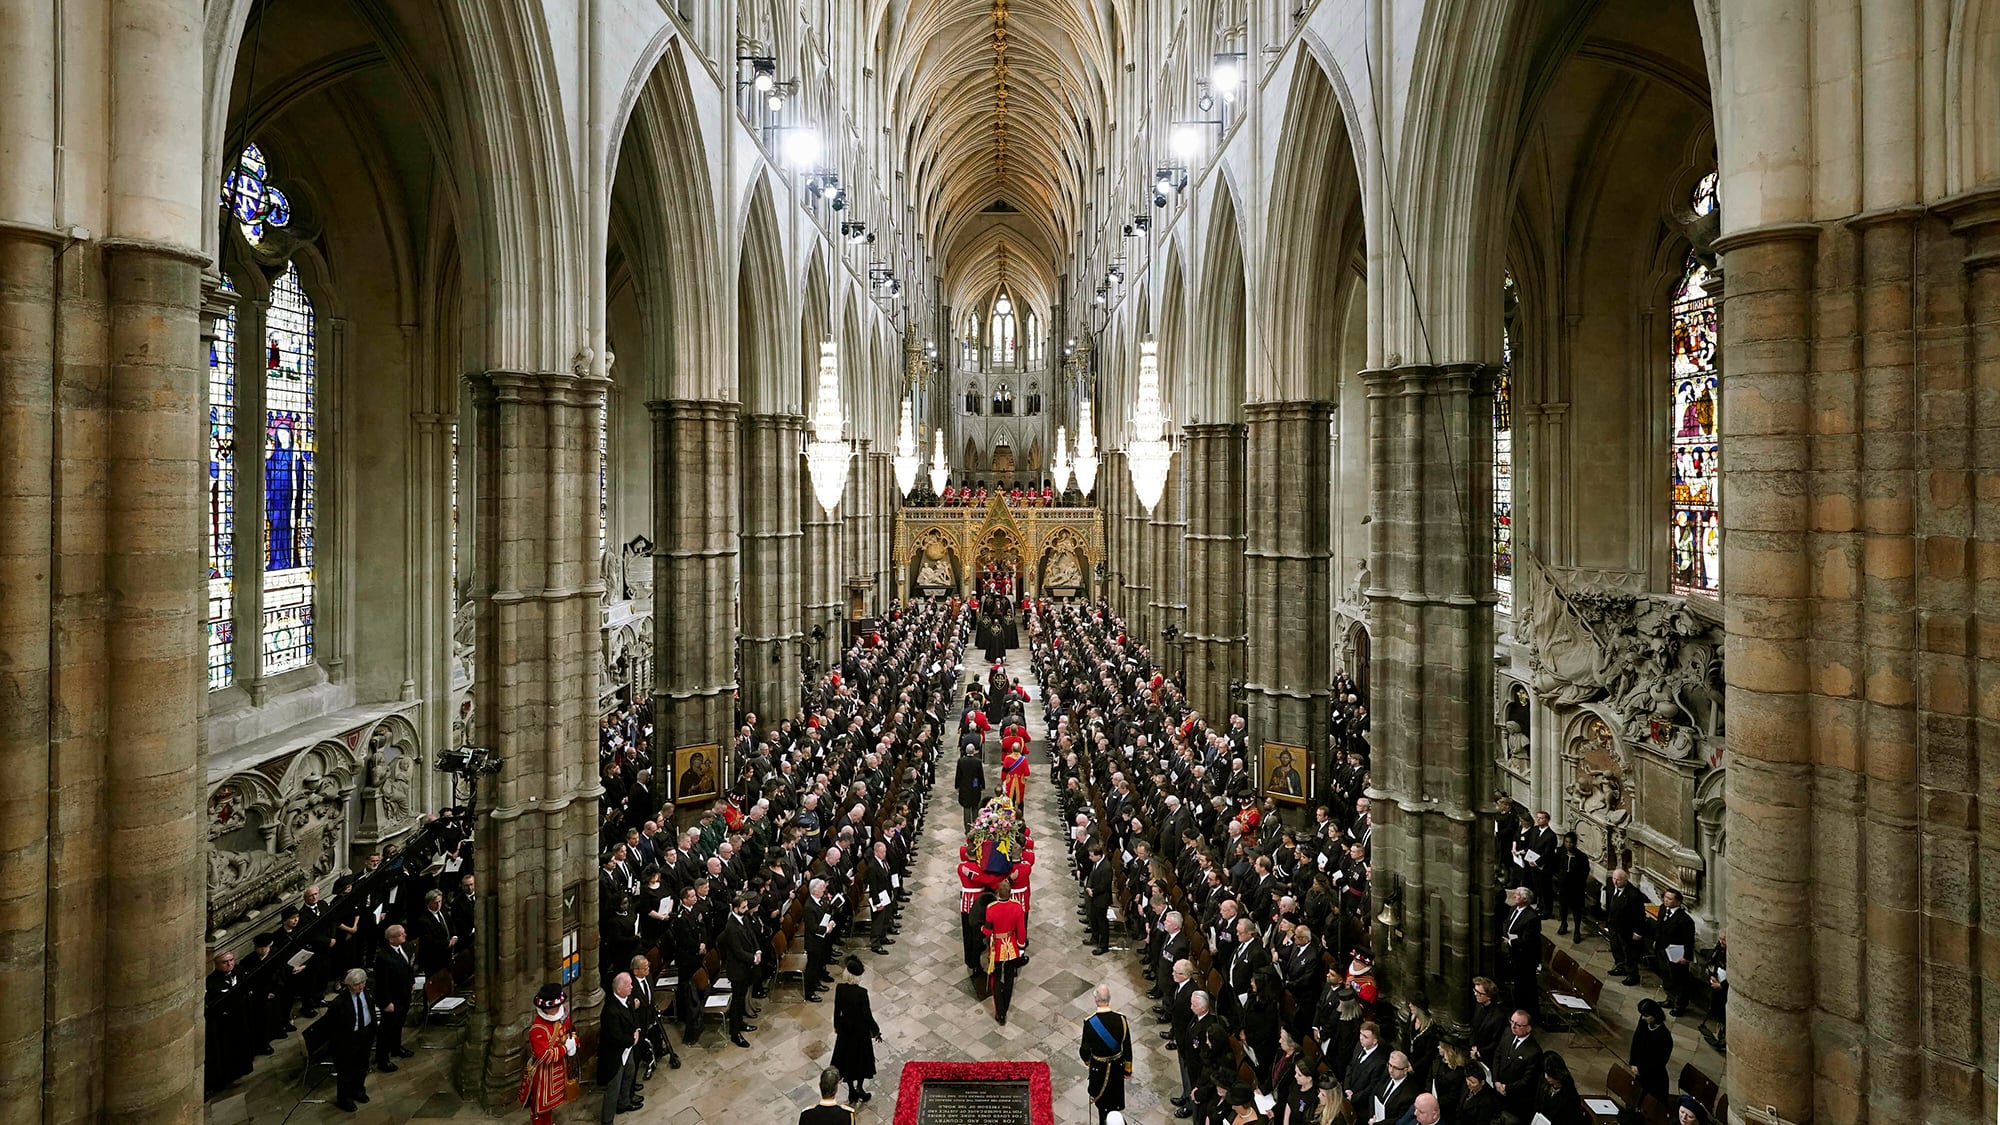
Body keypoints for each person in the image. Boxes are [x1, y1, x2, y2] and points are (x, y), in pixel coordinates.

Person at [316, 968, 378, 1113]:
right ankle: (344, 1098)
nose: (361, 986)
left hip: (366, 1034)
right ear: (349, 984)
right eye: (357, 984)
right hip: (348, 1040)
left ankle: (358, 1090)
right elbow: (330, 1025)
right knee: (346, 1071)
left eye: (363, 982)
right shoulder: (339, 1003)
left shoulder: (367, 992)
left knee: (362, 1066)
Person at [519, 984, 576, 1125]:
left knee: (550, 1106)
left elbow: (570, 1030)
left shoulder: (563, 1016)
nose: (555, 1010)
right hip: (543, 1074)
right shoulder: (537, 1029)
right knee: (539, 1108)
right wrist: (565, 1049)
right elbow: (544, 1056)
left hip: (559, 1068)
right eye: (551, 1008)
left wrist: (574, 1041)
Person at [1080, 983, 1134, 1124]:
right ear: (1109, 999)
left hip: (1099, 1068)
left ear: (1095, 1000)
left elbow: (1085, 1050)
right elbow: (1127, 1046)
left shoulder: (1090, 1022)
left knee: (1102, 1103)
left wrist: (1087, 1060)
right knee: (1114, 1101)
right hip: (1117, 1067)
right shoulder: (1121, 1019)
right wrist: (1127, 1070)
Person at [831, 957, 882, 1104]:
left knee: (847, 1059)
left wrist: (836, 1026)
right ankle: (859, 1087)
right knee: (860, 1060)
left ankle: (852, 1090)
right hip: (859, 1032)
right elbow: (867, 1015)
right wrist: (876, 1030)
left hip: (845, 1031)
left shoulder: (840, 989)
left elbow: (837, 1010)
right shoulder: (861, 993)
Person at [371, 924, 417, 1070]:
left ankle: (396, 1048)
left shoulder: (406, 947)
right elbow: (381, 983)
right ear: (391, 939)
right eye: (401, 934)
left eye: (404, 933)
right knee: (386, 1029)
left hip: (404, 994)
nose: (404, 935)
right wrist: (386, 1002)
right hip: (391, 998)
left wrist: (412, 984)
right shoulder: (383, 957)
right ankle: (382, 1059)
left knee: (399, 1024)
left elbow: (409, 968)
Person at [982, 879, 1027, 1024]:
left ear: (997, 893)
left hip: (997, 947)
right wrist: (1021, 946)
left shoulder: (991, 908)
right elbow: (1021, 930)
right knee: (1009, 978)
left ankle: (999, 1012)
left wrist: (981, 929)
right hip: (1011, 946)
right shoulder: (1017, 906)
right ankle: (1005, 1008)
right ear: (1010, 893)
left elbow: (988, 931)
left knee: (995, 979)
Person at [719, 892, 761, 1048]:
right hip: (737, 970)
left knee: (742, 998)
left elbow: (751, 935)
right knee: (737, 1002)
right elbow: (737, 951)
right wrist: (753, 958)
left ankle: (740, 1023)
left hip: (746, 966)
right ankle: (735, 1033)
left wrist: (758, 950)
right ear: (735, 908)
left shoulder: (743, 918)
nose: (746, 909)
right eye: (743, 907)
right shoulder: (731, 927)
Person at [597, 972, 641, 1121]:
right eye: (628, 985)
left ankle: (624, 1102)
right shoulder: (611, 1010)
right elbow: (615, 1036)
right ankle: (607, 1119)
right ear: (619, 990)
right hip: (615, 1053)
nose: (632, 987)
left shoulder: (626, 999)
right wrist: (632, 1040)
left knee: (630, 1071)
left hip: (627, 1048)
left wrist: (637, 1030)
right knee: (613, 1086)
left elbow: (633, 1016)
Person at [1489, 1009, 1543, 1122]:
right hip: (1497, 1088)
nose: (1513, 1026)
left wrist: (1506, 1088)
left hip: (1514, 1099)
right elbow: (1497, 1056)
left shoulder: (1534, 1052)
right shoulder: (1507, 1033)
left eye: (1518, 1025)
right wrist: (1496, 1080)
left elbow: (1527, 1080)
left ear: (1528, 1028)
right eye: (1511, 1021)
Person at [1603, 867, 1649, 986]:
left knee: (1629, 952)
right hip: (1613, 925)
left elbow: (1639, 915)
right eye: (1614, 878)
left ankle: (1633, 974)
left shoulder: (1634, 895)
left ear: (1625, 880)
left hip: (1627, 928)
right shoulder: (1610, 884)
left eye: (1618, 880)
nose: (1615, 882)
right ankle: (1620, 966)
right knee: (1616, 948)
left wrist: (1638, 932)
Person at [1499, 886, 1542, 1016]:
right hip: (1514, 953)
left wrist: (1510, 941)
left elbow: (1528, 940)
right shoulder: (1513, 909)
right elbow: (1506, 923)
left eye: (1517, 895)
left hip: (1525, 958)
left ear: (1524, 899)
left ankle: (1526, 1012)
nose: (1514, 896)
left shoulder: (1532, 918)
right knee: (1517, 984)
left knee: (1525, 986)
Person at [1657, 888, 1696, 1015]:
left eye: (1670, 899)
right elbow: (1659, 927)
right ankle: (1670, 998)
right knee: (1666, 976)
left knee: (1679, 979)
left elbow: (1689, 940)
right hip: (1663, 949)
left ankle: (1680, 1005)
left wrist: (1687, 956)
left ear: (1678, 902)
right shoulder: (1663, 909)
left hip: (1677, 953)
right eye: (1665, 898)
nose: (1666, 901)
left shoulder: (1685, 920)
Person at [1629, 997, 1674, 1102]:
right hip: (1639, 1068)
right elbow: (1636, 1040)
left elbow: (1659, 1062)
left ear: (1655, 1015)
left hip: (1653, 1077)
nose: (1643, 1018)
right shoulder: (1644, 1021)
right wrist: (1634, 1062)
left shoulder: (1664, 1037)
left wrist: (1642, 1070)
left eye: (1646, 1016)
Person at [1086, 842, 1113, 955]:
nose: (1090, 858)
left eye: (1092, 856)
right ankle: (1095, 937)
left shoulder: (1106, 867)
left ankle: (1103, 945)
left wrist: (1093, 891)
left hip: (1101, 898)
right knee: (1094, 918)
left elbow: (1104, 885)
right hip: (1094, 896)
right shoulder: (1096, 863)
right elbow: (1092, 875)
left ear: (1098, 856)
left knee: (1102, 923)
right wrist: (1088, 886)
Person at [956, 745, 987, 828]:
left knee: (966, 807)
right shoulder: (978, 761)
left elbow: (958, 775)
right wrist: (983, 785)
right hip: (975, 787)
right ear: (973, 751)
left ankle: (967, 827)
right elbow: (981, 775)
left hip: (964, 786)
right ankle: (975, 825)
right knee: (975, 807)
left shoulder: (961, 761)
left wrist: (957, 786)